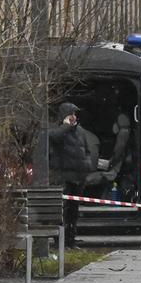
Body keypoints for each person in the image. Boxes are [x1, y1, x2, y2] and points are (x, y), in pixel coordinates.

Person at [48, 102, 94, 248]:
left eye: (75, 114)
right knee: (62, 211)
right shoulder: (57, 129)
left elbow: (87, 150)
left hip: (78, 177)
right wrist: (65, 126)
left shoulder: (80, 131)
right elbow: (54, 137)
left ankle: (71, 240)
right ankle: (60, 241)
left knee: (74, 211)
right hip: (63, 176)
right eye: (71, 114)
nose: (74, 117)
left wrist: (87, 166)